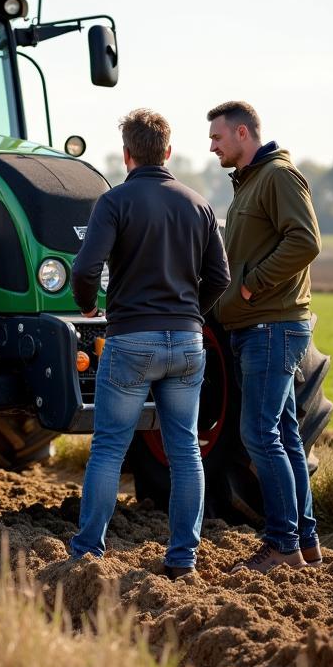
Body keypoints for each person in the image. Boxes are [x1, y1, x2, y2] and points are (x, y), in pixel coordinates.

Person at [70, 109, 230, 578]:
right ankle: (183, 559)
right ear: (168, 152)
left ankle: (87, 555)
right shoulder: (199, 205)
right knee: (185, 451)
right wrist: (190, 315)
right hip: (186, 341)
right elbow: (219, 277)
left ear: (126, 155)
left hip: (130, 340)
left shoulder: (114, 203)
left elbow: (84, 270)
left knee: (108, 449)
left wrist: (86, 306)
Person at [206, 100, 323, 573]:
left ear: (242, 134)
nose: (211, 145)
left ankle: (281, 545)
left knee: (259, 434)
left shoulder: (277, 176)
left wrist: (252, 284)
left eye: (217, 137)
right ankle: (306, 541)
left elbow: (306, 240)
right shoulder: (251, 183)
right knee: (285, 436)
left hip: (271, 325)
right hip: (261, 324)